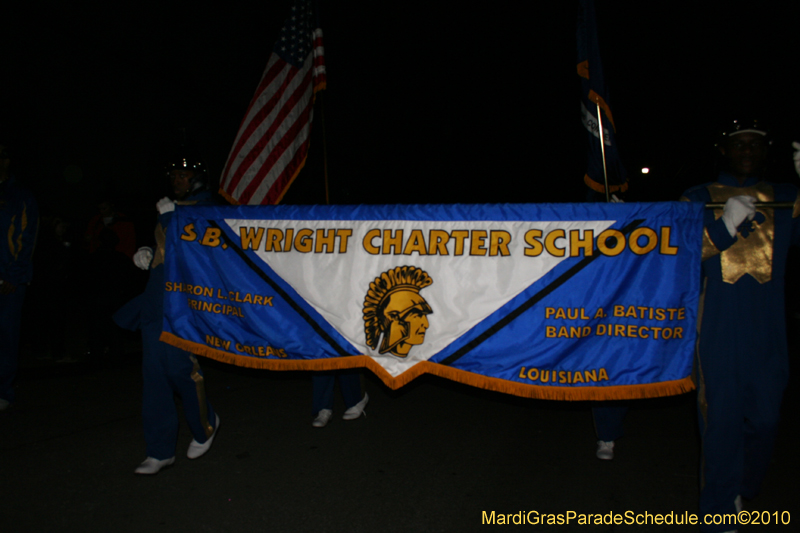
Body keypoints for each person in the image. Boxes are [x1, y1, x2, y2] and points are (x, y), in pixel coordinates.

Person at [681, 119, 800, 532]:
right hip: (718, 326)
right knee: (721, 422)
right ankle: (718, 509)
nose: (747, 150)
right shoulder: (697, 197)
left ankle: (740, 484)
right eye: (739, 144)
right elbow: (677, 254)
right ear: (724, 150)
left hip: (769, 329)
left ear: (766, 151)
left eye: (755, 144)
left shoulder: (786, 197)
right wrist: (723, 228)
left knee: (766, 420)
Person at [116, 154, 219, 474]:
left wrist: (169, 219)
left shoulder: (206, 208)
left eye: (182, 175)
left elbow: (198, 250)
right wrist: (148, 253)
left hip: (182, 300)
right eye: (173, 175)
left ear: (197, 179)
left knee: (179, 368)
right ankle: (160, 450)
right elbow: (165, 248)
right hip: (155, 297)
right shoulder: (171, 207)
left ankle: (205, 423)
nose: (176, 180)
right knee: (154, 376)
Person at [0, 142, 38, 411]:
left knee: (5, 335)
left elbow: (27, 239)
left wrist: (13, 276)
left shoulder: (20, 196)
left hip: (7, 280)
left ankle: (3, 390)